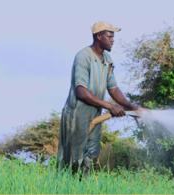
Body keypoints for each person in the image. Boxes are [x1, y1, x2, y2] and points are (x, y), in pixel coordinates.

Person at [56, 21, 146, 175]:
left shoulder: (107, 59)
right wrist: (110, 106)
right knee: (73, 159)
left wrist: (132, 107)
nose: (113, 40)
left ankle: (82, 188)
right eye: (109, 36)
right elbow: (81, 92)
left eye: (113, 37)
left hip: (94, 115)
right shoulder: (84, 57)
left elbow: (113, 89)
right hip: (77, 115)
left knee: (90, 156)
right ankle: (63, 188)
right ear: (99, 36)